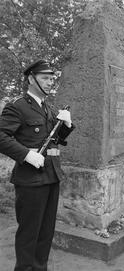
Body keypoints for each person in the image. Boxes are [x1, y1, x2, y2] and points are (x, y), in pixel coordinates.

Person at [0, 59, 75, 271]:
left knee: (46, 231)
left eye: (52, 78)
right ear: (31, 79)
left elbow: (53, 139)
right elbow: (1, 136)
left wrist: (67, 125)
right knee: (29, 232)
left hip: (52, 176)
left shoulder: (47, 108)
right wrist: (25, 154)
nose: (51, 82)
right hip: (30, 179)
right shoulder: (18, 106)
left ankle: (40, 267)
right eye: (45, 78)